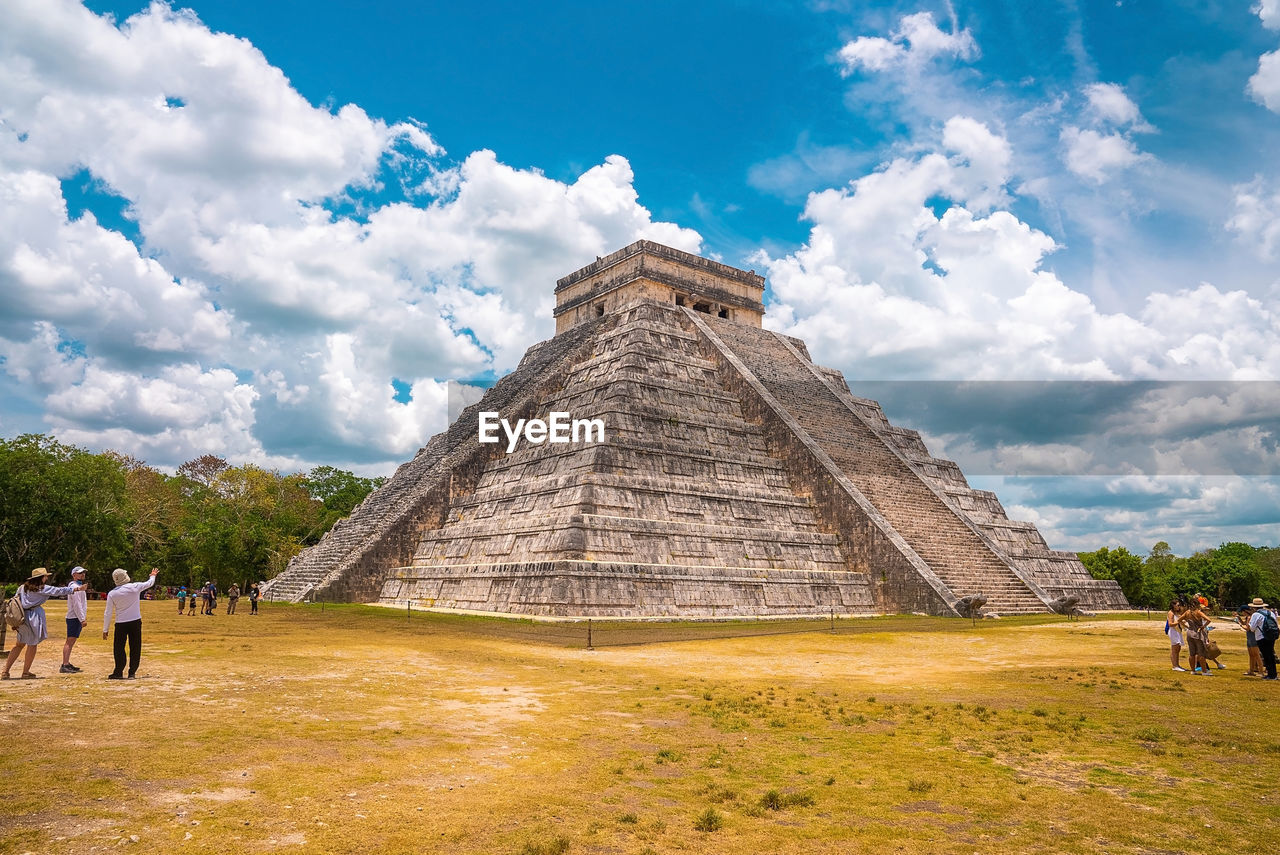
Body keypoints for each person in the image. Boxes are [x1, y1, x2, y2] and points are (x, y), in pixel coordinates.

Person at [3, 568, 85, 679]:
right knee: (32, 645)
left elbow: (15, 601)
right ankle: (26, 672)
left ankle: (5, 671)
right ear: (41, 578)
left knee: (18, 645)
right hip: (33, 617)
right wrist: (76, 589)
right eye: (45, 576)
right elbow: (59, 591)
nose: (47, 578)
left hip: (21, 617)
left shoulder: (22, 588)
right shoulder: (42, 588)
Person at [102, 567, 158, 680]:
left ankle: (118, 671)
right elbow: (149, 583)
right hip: (135, 621)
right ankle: (132, 672)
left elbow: (108, 613)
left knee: (119, 648)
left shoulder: (112, 594)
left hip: (120, 623)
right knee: (135, 647)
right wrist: (153, 575)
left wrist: (105, 629)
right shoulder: (134, 587)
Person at [61, 565, 89, 673]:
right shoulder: (74, 587)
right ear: (74, 575)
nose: (83, 574)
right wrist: (82, 619)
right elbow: (77, 604)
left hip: (76, 617)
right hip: (74, 617)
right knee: (70, 641)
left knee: (71, 641)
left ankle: (66, 662)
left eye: (83, 573)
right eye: (80, 573)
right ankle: (65, 664)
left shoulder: (78, 586)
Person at [1247, 597, 1278, 681]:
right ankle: (1273, 673)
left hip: (1261, 636)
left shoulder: (1256, 615)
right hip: (1271, 635)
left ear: (1254, 607)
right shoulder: (1270, 613)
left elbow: (1252, 628)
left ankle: (1271, 675)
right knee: (1271, 655)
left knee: (1266, 656)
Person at [1179, 600, 1213, 676]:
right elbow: (1209, 620)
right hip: (1198, 633)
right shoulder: (1198, 612)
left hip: (1189, 633)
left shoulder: (1187, 612)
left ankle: (1193, 670)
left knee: (1192, 653)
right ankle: (1204, 671)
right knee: (1201, 653)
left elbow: (1179, 620)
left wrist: (1187, 626)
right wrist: (1203, 626)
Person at [1238, 604, 1265, 676]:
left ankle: (1261, 671)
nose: (1242, 613)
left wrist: (1241, 626)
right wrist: (1239, 619)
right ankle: (1251, 670)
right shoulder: (1248, 617)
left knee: (1256, 655)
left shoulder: (1250, 617)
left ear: (1245, 611)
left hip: (1253, 637)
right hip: (1250, 637)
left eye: (1242, 612)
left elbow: (1248, 628)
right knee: (1251, 655)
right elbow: (1245, 624)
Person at [1166, 601, 1186, 672]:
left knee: (1178, 648)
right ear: (1173, 605)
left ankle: (1177, 665)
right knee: (1174, 648)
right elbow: (1170, 624)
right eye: (1178, 605)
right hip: (1173, 631)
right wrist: (1179, 621)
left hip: (1178, 630)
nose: (1179, 606)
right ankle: (1174, 665)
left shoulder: (1177, 613)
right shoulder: (1170, 613)